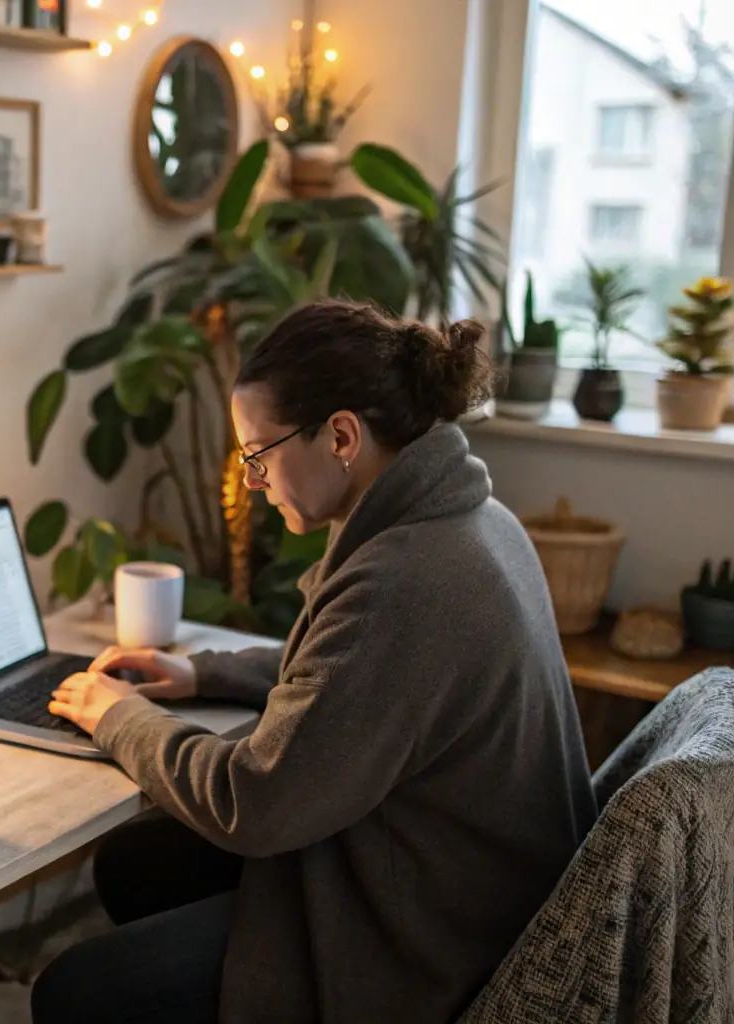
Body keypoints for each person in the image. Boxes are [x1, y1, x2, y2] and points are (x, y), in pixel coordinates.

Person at [33, 299, 598, 1024]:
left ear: (339, 436)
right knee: (138, 858)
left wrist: (119, 717)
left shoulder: (404, 577)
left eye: (256, 454)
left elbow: (255, 804)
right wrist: (203, 674)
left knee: (77, 992)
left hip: (427, 940)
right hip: (449, 877)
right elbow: (353, 678)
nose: (249, 482)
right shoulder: (463, 518)